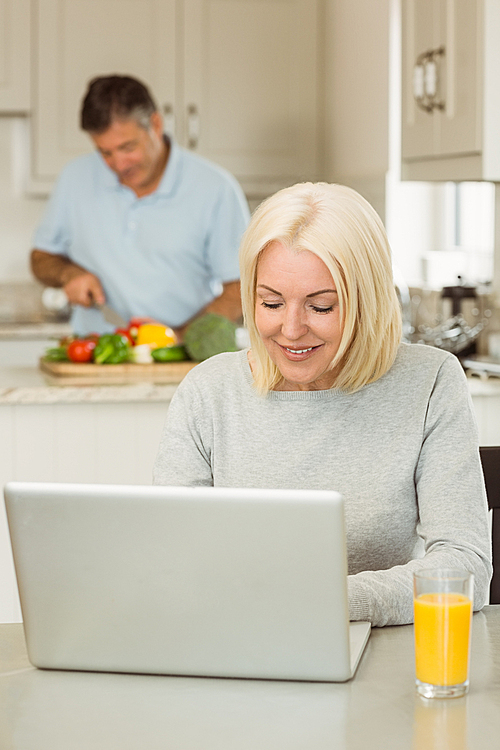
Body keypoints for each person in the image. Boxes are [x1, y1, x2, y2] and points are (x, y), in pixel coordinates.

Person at [153, 181, 492, 627]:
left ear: (366, 302)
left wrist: (329, 601)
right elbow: (172, 562)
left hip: (380, 655)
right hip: (235, 644)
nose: (291, 330)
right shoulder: (207, 392)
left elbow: (465, 568)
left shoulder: (430, 383)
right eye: (271, 302)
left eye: (322, 307)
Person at [30, 75, 250, 337]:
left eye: (127, 147)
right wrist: (69, 274)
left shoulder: (216, 188)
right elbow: (41, 258)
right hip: (95, 352)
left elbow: (241, 288)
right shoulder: (74, 177)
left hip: (184, 357)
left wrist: (178, 338)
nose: (119, 164)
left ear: (155, 125)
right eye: (105, 152)